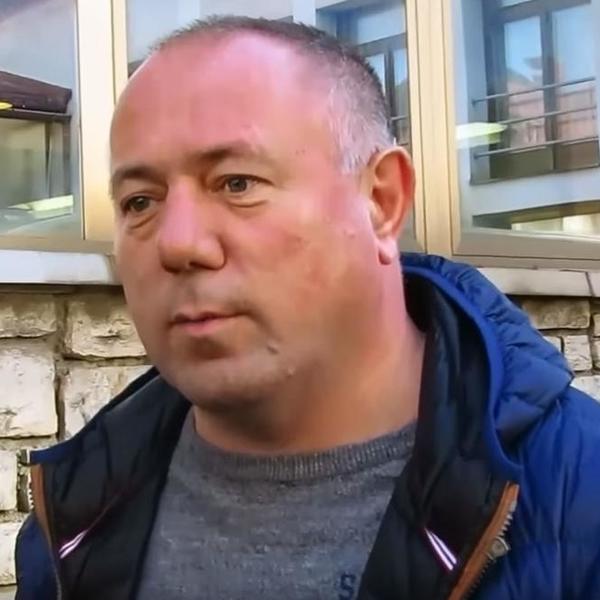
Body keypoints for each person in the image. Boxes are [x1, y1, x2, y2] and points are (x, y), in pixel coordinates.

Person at [15, 16, 600, 600]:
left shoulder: (578, 499)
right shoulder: (71, 520)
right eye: (140, 202)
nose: (178, 243)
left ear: (382, 201)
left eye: (237, 183)